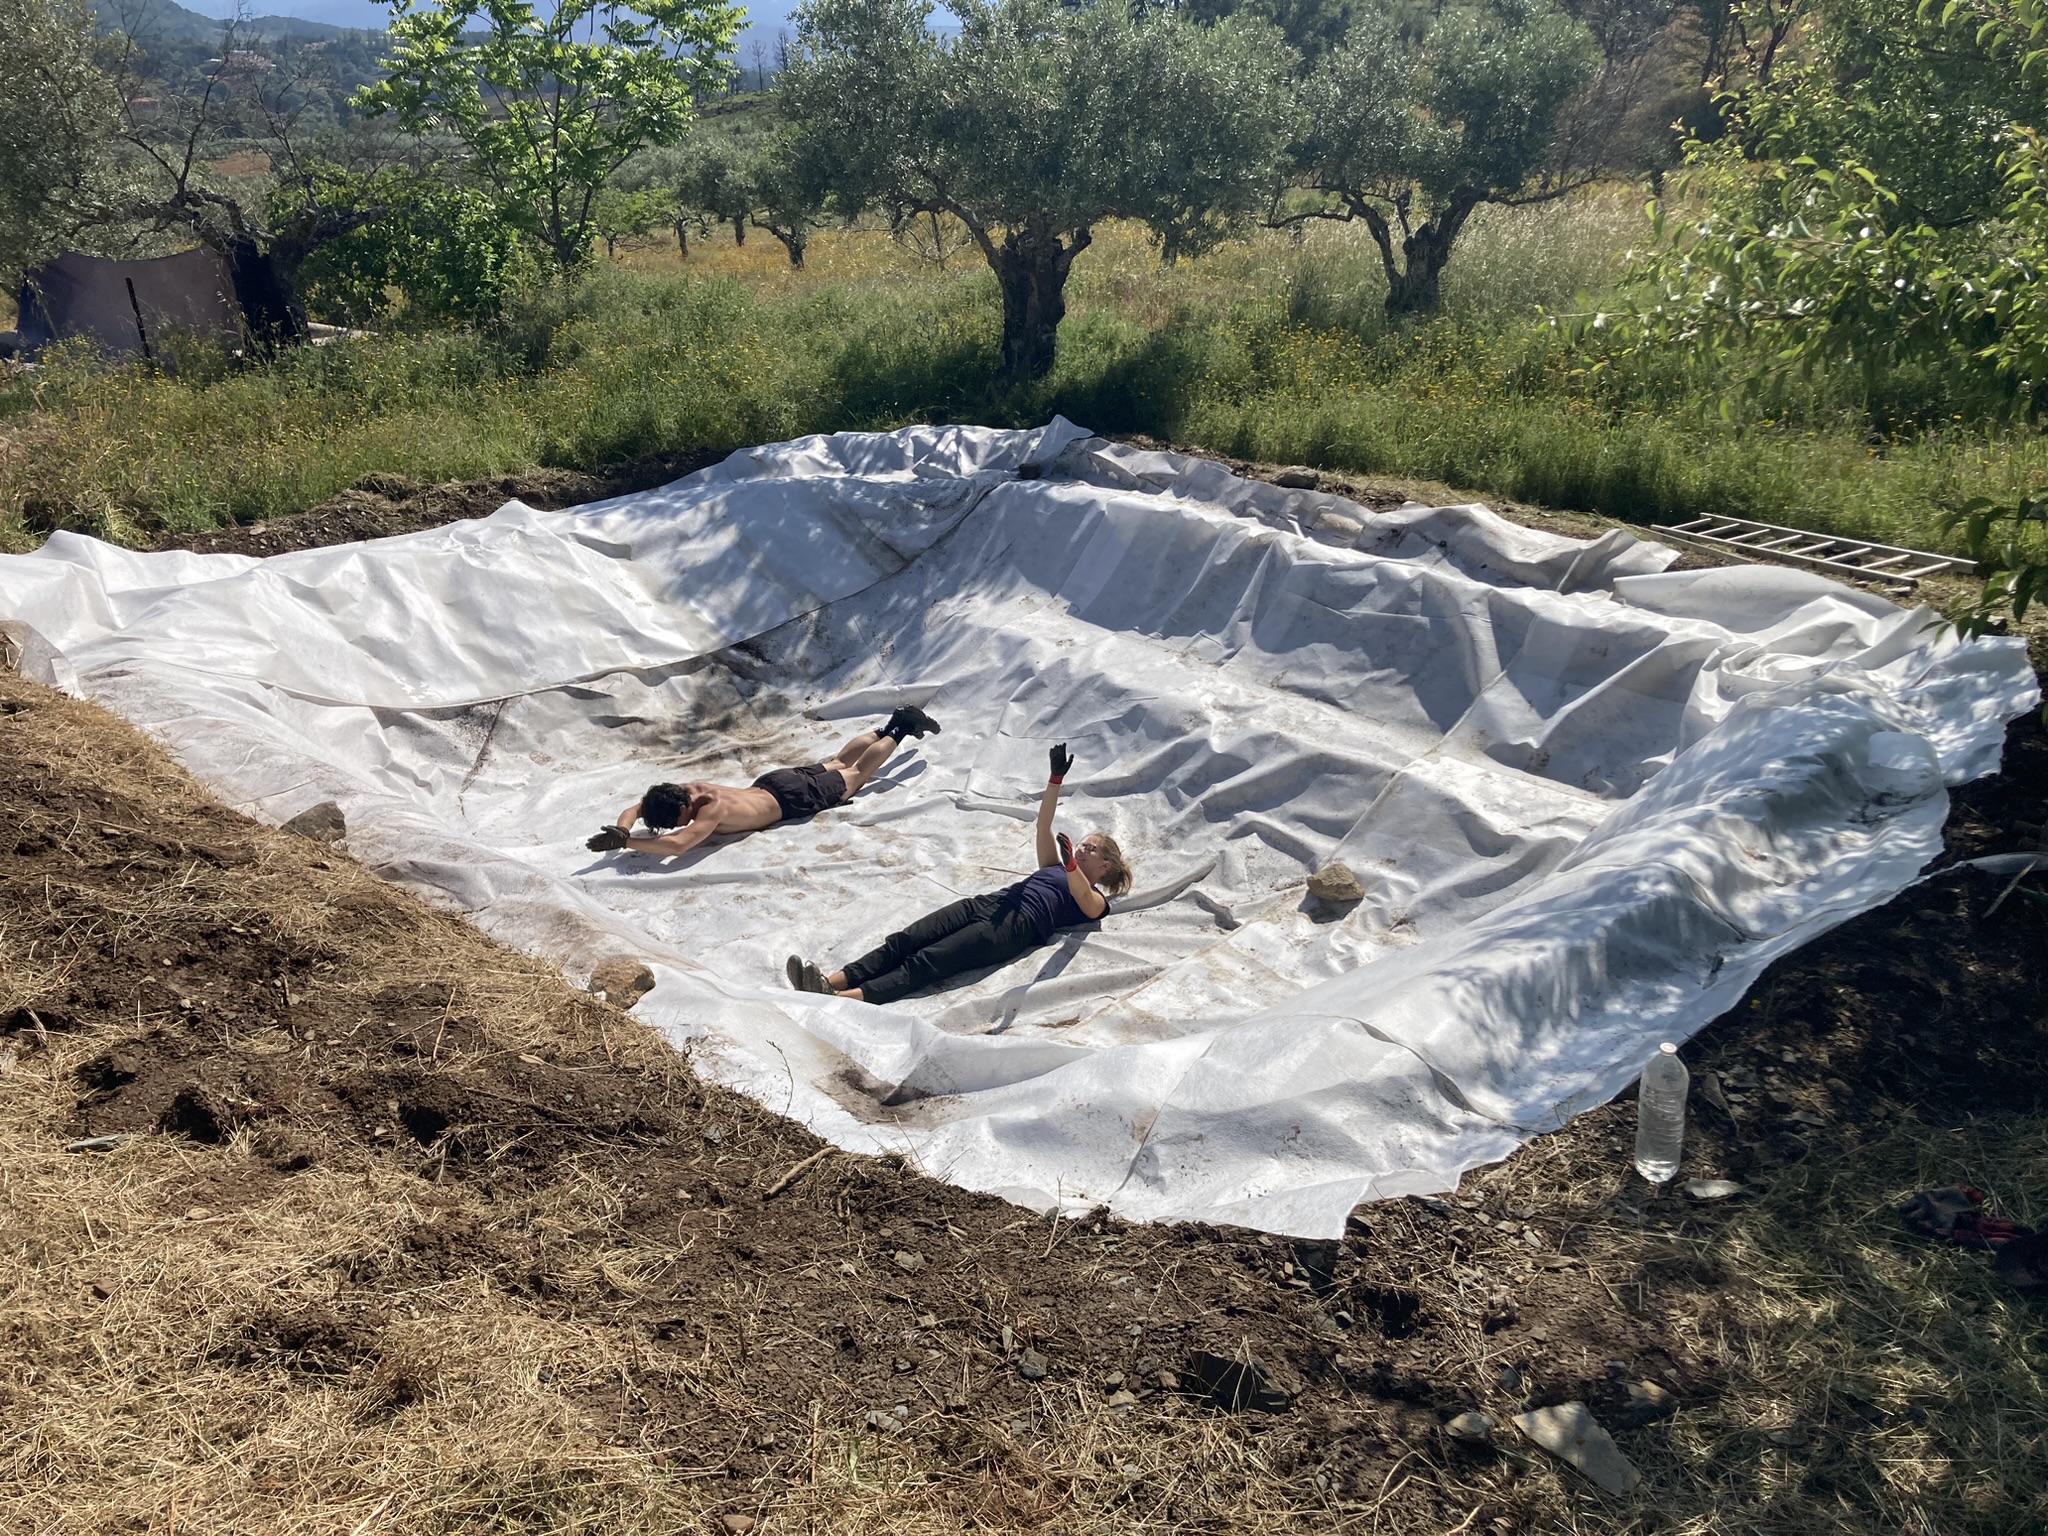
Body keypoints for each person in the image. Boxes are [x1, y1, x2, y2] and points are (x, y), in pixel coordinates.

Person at [785, 742, 1133, 1004]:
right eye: (1083, 844)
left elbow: (1081, 895)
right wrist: (1055, 780)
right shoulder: (1053, 867)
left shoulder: (1096, 900)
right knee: (906, 940)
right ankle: (831, 981)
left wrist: (1071, 865)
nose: (1083, 849)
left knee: (929, 960)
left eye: (1092, 849)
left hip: (1014, 927)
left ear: (1105, 867)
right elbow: (1044, 824)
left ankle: (842, 998)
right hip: (988, 903)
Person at [587, 705, 940, 858]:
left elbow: (678, 847)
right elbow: (637, 808)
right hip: (774, 782)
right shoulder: (684, 790)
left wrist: (627, 844)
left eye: (677, 821)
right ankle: (887, 724)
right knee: (837, 762)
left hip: (790, 800)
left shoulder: (710, 809)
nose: (679, 826)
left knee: (856, 774)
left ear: (682, 809)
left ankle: (901, 727)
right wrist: (622, 829)